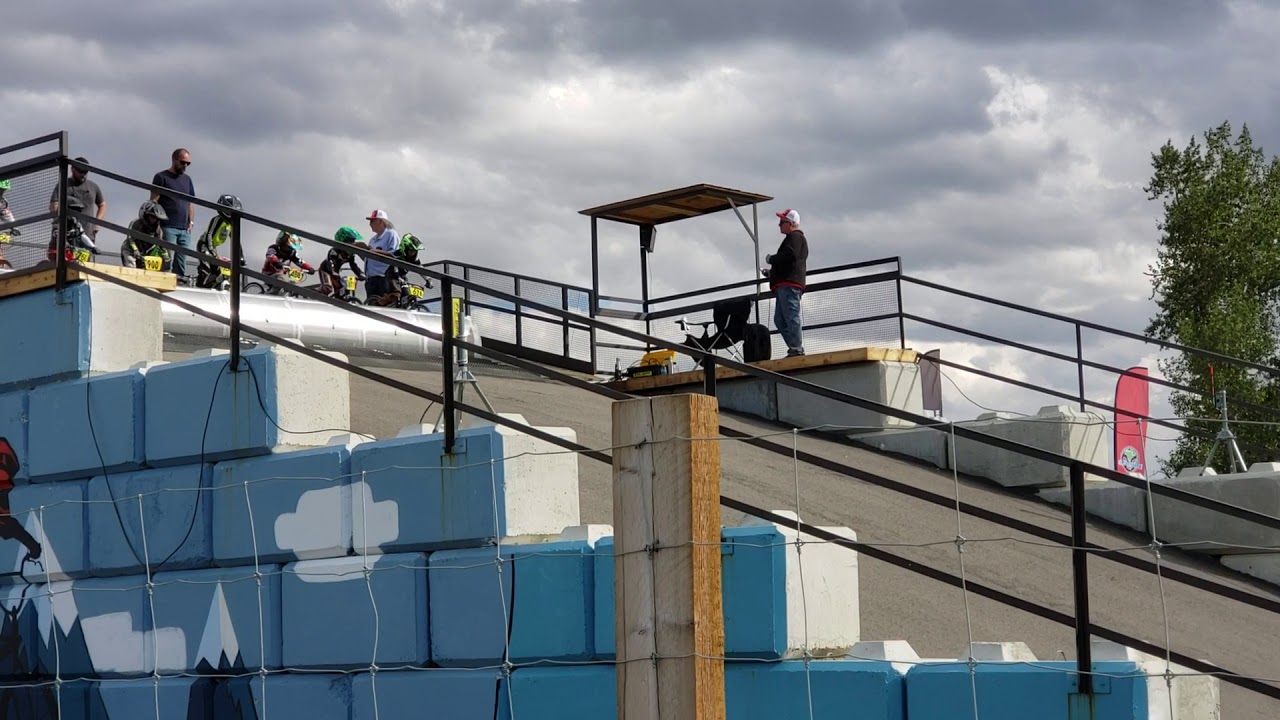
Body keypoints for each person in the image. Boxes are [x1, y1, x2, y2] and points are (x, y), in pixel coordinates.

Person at [762, 208, 808, 357]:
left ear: (791, 223)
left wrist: (772, 259)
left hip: (789, 284)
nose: (779, 225)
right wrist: (772, 273)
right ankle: (795, 347)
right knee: (781, 319)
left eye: (782, 222)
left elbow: (788, 256)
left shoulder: (795, 237)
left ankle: (796, 348)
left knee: (789, 316)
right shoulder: (795, 238)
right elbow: (789, 260)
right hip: (786, 283)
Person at [150, 148, 195, 284]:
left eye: (188, 163)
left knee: (181, 259)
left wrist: (191, 222)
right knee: (167, 257)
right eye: (183, 162)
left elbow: (190, 203)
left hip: (184, 227)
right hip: (167, 225)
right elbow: (153, 201)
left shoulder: (187, 180)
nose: (185, 166)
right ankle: (163, 281)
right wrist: (155, 222)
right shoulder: (161, 177)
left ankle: (179, 283)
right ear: (174, 160)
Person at [49, 156, 107, 242]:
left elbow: (102, 205)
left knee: (87, 254)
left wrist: (97, 223)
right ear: (73, 169)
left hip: (87, 236)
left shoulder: (93, 187)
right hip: (66, 235)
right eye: (80, 172)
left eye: (85, 172)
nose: (83, 175)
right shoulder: (63, 185)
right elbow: (53, 206)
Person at [195, 194, 243, 289]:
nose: (231, 215)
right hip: (204, 245)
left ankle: (212, 285)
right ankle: (200, 285)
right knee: (207, 267)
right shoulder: (217, 220)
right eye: (229, 212)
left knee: (218, 270)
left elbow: (236, 241)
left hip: (213, 247)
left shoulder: (231, 225)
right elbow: (209, 235)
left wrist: (240, 256)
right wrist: (212, 252)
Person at [367, 232, 425, 307]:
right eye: (411, 251)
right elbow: (395, 267)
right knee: (396, 293)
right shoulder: (398, 255)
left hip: (402, 276)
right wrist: (398, 277)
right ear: (406, 248)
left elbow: (420, 268)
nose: (412, 253)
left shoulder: (414, 258)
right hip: (392, 275)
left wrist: (428, 280)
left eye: (414, 251)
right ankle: (380, 302)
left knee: (407, 293)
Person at [120, 201, 172, 271]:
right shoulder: (136, 223)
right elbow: (130, 238)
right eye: (152, 217)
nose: (154, 220)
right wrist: (135, 250)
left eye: (156, 218)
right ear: (145, 215)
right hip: (132, 250)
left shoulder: (158, 229)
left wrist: (165, 254)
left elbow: (161, 243)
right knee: (130, 264)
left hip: (147, 253)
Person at [318, 225, 367, 298]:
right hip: (325, 270)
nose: (352, 243)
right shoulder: (333, 251)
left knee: (341, 290)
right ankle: (316, 294)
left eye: (353, 241)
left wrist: (360, 274)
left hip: (336, 272)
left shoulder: (349, 254)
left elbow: (353, 265)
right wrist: (333, 272)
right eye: (350, 241)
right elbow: (330, 263)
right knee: (328, 288)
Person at [362, 209, 400, 300]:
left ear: (380, 221)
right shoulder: (373, 239)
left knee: (384, 306)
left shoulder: (391, 234)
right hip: (371, 279)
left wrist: (375, 251)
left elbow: (394, 254)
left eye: (372, 221)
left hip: (383, 278)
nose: (370, 224)